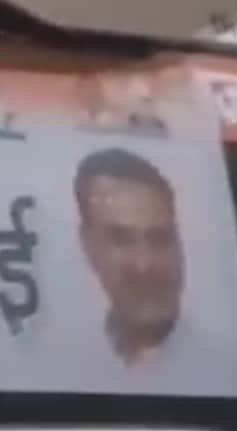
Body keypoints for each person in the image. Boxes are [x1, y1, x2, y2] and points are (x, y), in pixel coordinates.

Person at [75, 148, 188, 369]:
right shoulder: (75, 363)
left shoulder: (226, 366)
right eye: (121, 241)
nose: (143, 265)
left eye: (160, 238)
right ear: (88, 246)